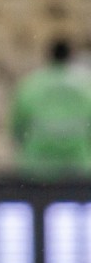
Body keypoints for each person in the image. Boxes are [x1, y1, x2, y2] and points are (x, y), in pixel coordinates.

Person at [10, 38, 91, 179]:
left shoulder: (31, 83)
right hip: (78, 165)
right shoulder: (86, 85)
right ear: (71, 55)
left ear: (48, 55)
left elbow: (16, 127)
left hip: (37, 166)